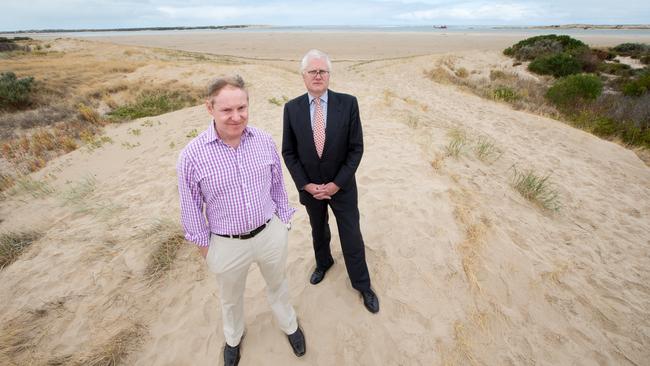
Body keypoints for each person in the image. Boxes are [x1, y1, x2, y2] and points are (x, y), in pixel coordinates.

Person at [177, 75, 306, 366]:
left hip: (269, 234)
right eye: (226, 110)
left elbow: (277, 185)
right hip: (226, 244)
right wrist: (208, 252)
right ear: (209, 108)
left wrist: (283, 223)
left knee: (278, 285)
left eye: (242, 108)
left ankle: (290, 326)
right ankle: (233, 338)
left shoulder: (263, 140)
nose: (236, 117)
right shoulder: (192, 156)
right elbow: (191, 209)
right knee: (231, 299)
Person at [282, 49, 379, 314]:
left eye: (322, 71)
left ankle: (362, 284)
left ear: (329, 75)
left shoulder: (348, 103)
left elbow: (356, 149)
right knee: (318, 229)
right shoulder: (291, 109)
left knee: (351, 234)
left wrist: (337, 184)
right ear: (303, 76)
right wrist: (305, 184)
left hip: (343, 187)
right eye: (312, 71)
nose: (317, 75)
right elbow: (288, 152)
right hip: (311, 189)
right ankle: (323, 263)